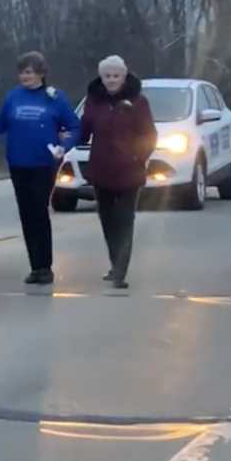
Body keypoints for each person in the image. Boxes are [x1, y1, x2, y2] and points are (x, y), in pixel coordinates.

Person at [0, 52, 79, 285]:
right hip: (18, 162)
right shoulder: (13, 97)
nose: (25, 76)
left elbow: (73, 126)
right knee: (26, 214)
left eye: (29, 72)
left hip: (43, 163)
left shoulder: (54, 98)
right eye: (21, 72)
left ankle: (45, 266)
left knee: (39, 211)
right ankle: (35, 266)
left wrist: (65, 146)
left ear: (41, 74)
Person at [78, 56, 157, 289]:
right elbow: (83, 131)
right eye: (107, 76)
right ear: (101, 78)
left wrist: (137, 157)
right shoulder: (94, 102)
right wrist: (65, 138)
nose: (112, 81)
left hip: (129, 172)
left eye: (116, 76)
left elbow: (149, 136)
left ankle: (121, 270)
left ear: (124, 76)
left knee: (124, 220)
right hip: (101, 170)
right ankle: (115, 264)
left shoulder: (138, 102)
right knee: (108, 220)